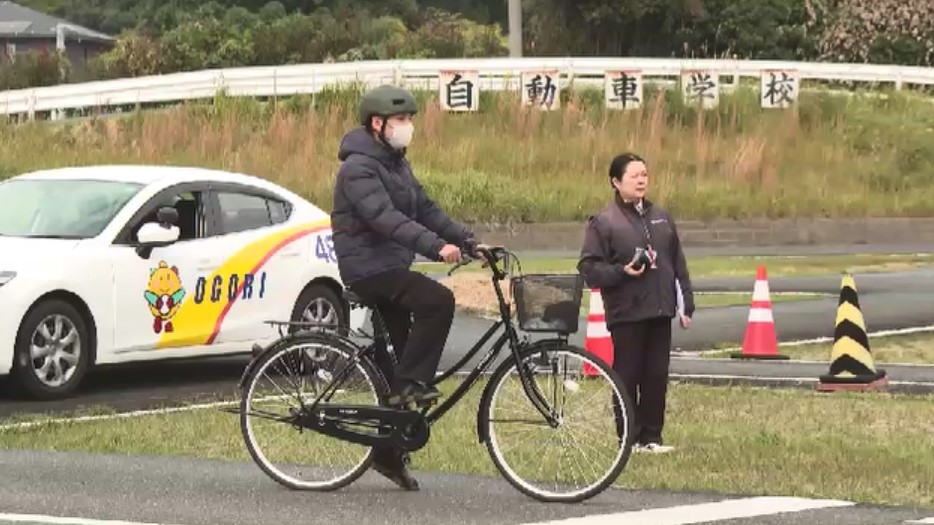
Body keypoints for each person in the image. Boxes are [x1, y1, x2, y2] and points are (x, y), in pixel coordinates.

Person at [330, 84, 481, 489]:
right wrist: (436, 247)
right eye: (401, 120)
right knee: (438, 300)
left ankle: (387, 452)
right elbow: (384, 219)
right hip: (368, 268)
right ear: (377, 124)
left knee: (393, 363)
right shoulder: (358, 168)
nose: (408, 126)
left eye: (410, 119)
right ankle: (411, 386)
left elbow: (426, 208)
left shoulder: (395, 162)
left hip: (390, 264)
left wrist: (468, 240)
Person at [577, 152, 694, 454]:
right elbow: (589, 269)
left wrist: (685, 303)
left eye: (645, 174)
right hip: (626, 311)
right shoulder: (604, 222)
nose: (642, 180)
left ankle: (652, 438)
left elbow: (677, 263)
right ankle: (628, 439)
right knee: (628, 375)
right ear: (616, 182)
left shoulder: (661, 217)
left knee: (656, 374)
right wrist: (621, 271)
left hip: (659, 308)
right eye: (634, 175)